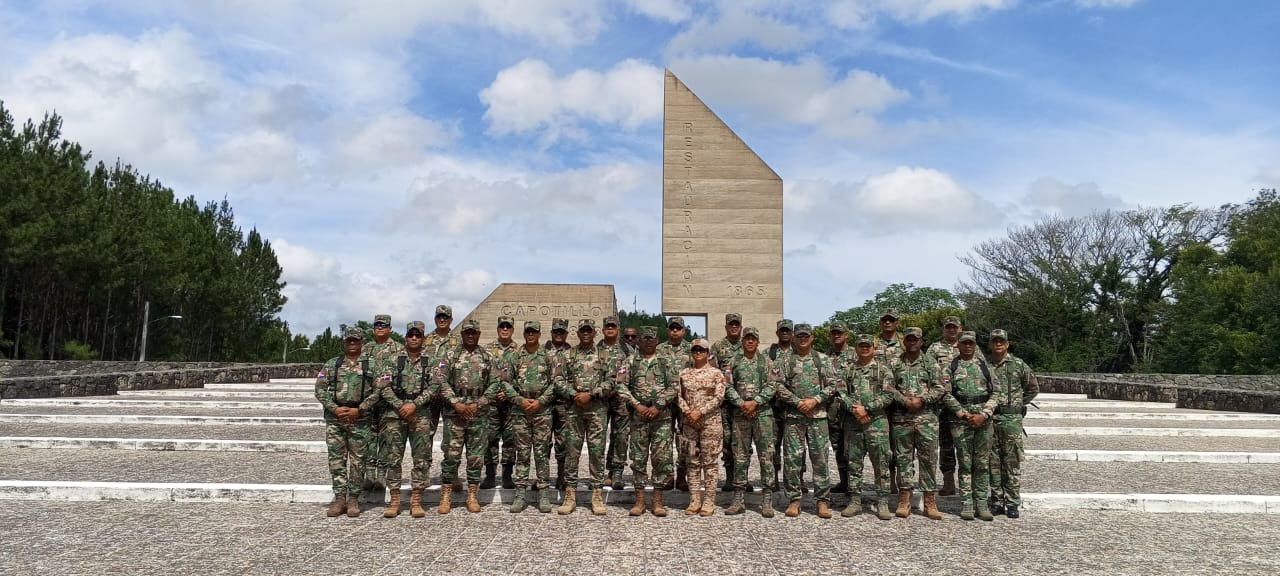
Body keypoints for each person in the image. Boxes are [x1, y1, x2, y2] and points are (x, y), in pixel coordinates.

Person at [433, 319, 504, 514]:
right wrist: (456, 403)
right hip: (455, 413)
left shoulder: (487, 356)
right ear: (462, 334)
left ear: (479, 334)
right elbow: (441, 380)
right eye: (467, 333)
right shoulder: (449, 355)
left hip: (478, 413)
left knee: (475, 457)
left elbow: (495, 383)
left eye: (474, 332)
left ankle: (472, 495)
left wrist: (478, 403)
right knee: (451, 456)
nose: (470, 335)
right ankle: (446, 495)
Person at [315, 327, 383, 517]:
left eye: (355, 340)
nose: (352, 343)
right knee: (336, 460)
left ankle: (353, 499)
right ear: (344, 342)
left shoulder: (372, 366)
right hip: (336, 418)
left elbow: (379, 391)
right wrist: (334, 408)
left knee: (358, 461)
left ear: (362, 342)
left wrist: (359, 409)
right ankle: (339, 498)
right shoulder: (332, 364)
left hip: (360, 418)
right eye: (348, 340)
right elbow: (320, 390)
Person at [776, 323, 840, 518]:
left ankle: (822, 501)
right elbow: (777, 386)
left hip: (818, 417)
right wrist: (796, 402)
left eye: (806, 336)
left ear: (812, 338)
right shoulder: (784, 360)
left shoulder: (823, 359)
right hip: (794, 417)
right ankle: (794, 500)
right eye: (799, 336)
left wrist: (815, 400)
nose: (803, 339)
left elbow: (832, 385)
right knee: (792, 460)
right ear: (794, 338)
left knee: (820, 460)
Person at [941, 331, 1006, 521]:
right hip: (960, 419)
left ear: (975, 345)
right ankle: (967, 504)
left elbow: (997, 393)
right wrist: (961, 412)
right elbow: (945, 393)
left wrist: (985, 413)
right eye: (964, 343)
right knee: (965, 462)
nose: (968, 346)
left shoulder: (985, 366)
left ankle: (982, 504)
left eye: (971, 343)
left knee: (982, 463)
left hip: (983, 419)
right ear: (959, 345)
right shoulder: (950, 367)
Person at [616, 326, 679, 516]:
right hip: (639, 417)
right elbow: (620, 385)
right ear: (640, 341)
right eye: (645, 339)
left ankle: (658, 501)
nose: (649, 342)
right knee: (638, 458)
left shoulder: (666, 361)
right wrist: (637, 405)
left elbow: (675, 385)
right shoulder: (630, 361)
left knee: (661, 458)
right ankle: (640, 500)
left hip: (662, 417)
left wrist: (658, 405)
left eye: (652, 339)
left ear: (657, 341)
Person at [379, 321, 437, 518]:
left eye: (418, 335)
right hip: (395, 415)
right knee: (393, 458)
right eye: (411, 335)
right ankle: (395, 500)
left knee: (421, 459)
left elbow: (435, 386)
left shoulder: (431, 360)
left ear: (423, 338)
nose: (414, 338)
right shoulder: (393, 359)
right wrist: (399, 405)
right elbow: (384, 385)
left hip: (420, 415)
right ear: (405, 337)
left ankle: (416, 500)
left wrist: (415, 404)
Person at [502, 321, 561, 513]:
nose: (530, 335)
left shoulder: (549, 356)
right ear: (524, 333)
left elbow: (556, 382)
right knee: (522, 454)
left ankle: (543, 494)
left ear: (539, 333)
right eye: (527, 331)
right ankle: (520, 494)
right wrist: (519, 400)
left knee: (542, 454)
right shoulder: (514, 356)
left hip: (542, 411)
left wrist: (541, 401)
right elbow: (504, 382)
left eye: (534, 332)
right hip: (521, 412)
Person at [557, 319, 613, 515]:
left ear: (595, 332)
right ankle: (570, 495)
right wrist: (574, 395)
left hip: (596, 409)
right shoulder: (568, 355)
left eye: (589, 330)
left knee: (597, 453)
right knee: (571, 452)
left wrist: (592, 394)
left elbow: (611, 381)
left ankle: (597, 495)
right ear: (578, 333)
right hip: (574, 409)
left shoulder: (604, 355)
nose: (586, 333)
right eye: (583, 330)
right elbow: (558, 379)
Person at [889, 327, 945, 520]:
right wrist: (904, 400)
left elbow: (940, 388)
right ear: (904, 341)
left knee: (928, 460)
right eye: (909, 339)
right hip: (902, 419)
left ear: (922, 342)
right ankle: (904, 500)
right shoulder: (895, 362)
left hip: (926, 419)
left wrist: (923, 400)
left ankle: (930, 502)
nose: (912, 342)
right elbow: (887, 387)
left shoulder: (930, 363)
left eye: (916, 339)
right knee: (903, 460)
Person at [838, 334, 895, 520]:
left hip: (876, 423)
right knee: (853, 464)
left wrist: (867, 409)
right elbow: (840, 393)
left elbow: (888, 396)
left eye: (867, 346)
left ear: (873, 348)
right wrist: (854, 409)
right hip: (853, 424)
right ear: (856, 348)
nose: (864, 348)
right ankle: (855, 501)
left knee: (881, 464)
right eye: (861, 345)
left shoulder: (883, 370)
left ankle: (883, 502)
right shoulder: (848, 370)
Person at [722, 327, 778, 517]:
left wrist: (756, 402)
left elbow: (773, 385)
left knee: (766, 456)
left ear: (758, 341)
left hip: (762, 414)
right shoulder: (733, 361)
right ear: (743, 341)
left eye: (753, 339)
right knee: (740, 456)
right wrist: (741, 403)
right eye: (747, 338)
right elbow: (727, 385)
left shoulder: (767, 362)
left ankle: (767, 499)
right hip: (740, 415)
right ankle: (738, 498)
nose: (750, 342)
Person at [927, 315, 982, 496]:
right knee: (946, 444)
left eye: (954, 327)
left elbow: (982, 369)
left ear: (960, 328)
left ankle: (969, 483)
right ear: (943, 329)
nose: (951, 330)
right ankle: (948, 481)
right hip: (943, 404)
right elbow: (928, 371)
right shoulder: (935, 348)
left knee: (968, 445)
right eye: (948, 327)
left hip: (967, 404)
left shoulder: (971, 346)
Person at [987, 329, 1039, 519]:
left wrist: (1018, 403)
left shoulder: (1018, 364)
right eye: (995, 341)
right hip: (992, 418)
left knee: (1012, 461)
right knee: (993, 461)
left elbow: (1033, 388)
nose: (998, 344)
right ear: (990, 344)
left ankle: (1012, 502)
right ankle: (996, 500)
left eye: (1001, 341)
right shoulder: (985, 365)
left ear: (1007, 344)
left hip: (1012, 420)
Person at [678, 338, 727, 516]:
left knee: (710, 463)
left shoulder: (716, 374)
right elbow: (678, 396)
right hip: (689, 423)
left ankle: (709, 501)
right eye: (695, 350)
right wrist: (689, 412)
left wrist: (701, 412)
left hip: (710, 423)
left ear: (708, 353)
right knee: (692, 462)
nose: (698, 352)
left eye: (702, 350)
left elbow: (719, 397)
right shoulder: (683, 374)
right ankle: (694, 500)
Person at [362, 314, 404, 497]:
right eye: (377, 325)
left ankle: (381, 475)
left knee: (387, 438)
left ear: (390, 328)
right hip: (370, 400)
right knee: (370, 437)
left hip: (388, 399)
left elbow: (401, 374)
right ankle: (369, 475)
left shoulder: (398, 349)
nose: (380, 328)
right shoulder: (366, 349)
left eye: (383, 325)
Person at [482, 315, 519, 490]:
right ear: (497, 329)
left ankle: (507, 475)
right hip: (492, 403)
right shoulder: (486, 350)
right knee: (490, 439)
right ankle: (490, 475)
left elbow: (521, 376)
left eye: (508, 327)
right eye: (502, 327)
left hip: (511, 404)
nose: (505, 330)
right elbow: (483, 375)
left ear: (512, 330)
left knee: (510, 440)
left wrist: (509, 393)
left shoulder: (519, 351)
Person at [596, 315, 633, 490]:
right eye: (607, 326)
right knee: (600, 437)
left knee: (621, 436)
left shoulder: (627, 350)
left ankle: (616, 472)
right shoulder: (596, 349)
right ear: (603, 329)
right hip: (601, 399)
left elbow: (630, 373)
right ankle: (600, 473)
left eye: (613, 326)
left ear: (618, 329)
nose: (610, 329)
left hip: (621, 400)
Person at [711, 313, 744, 491]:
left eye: (736, 325)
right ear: (726, 327)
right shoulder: (717, 346)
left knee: (742, 441)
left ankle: (742, 477)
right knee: (727, 440)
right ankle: (730, 477)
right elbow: (712, 371)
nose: (734, 327)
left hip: (742, 403)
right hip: (724, 403)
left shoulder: (746, 345)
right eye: (731, 325)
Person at [659, 316, 692, 491]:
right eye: (672, 328)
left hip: (685, 401)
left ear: (683, 331)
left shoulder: (692, 349)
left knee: (684, 440)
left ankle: (681, 475)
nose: (674, 331)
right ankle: (667, 475)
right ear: (667, 330)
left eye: (678, 328)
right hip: (665, 401)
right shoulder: (659, 350)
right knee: (664, 439)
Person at [826, 321, 856, 494]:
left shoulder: (855, 353)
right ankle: (844, 481)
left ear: (846, 335)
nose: (836, 335)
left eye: (839, 333)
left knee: (852, 448)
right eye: (833, 333)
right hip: (832, 409)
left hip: (849, 409)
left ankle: (854, 484)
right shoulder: (824, 356)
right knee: (837, 447)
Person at [545, 318, 573, 490]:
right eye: (556, 331)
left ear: (566, 334)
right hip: (546, 403)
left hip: (564, 403)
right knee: (543, 443)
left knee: (563, 442)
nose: (559, 334)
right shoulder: (543, 352)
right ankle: (544, 479)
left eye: (561, 332)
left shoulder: (572, 352)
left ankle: (562, 477)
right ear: (552, 333)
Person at [768, 319, 795, 489]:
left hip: (794, 406)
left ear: (792, 333)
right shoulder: (769, 354)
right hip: (774, 405)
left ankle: (795, 480)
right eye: (782, 330)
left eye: (787, 330)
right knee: (773, 444)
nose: (785, 333)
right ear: (777, 333)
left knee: (795, 446)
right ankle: (774, 479)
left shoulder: (799, 352)